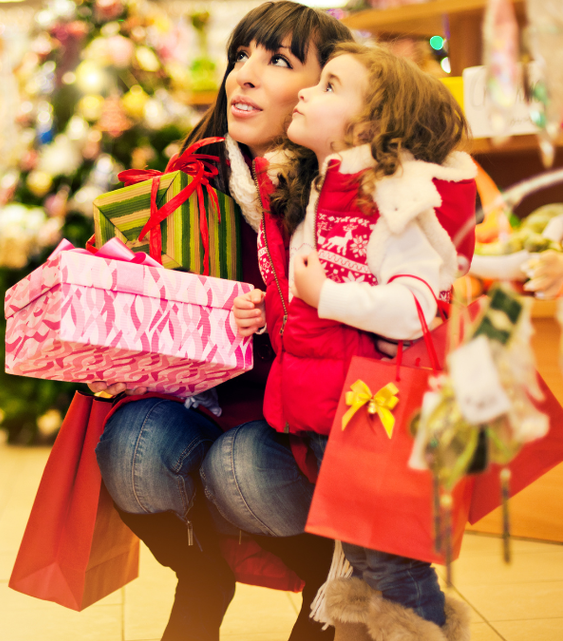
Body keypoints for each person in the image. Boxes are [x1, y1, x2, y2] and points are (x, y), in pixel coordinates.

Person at [90, 4, 362, 641]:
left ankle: (326, 584)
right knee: (130, 448)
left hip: (302, 419)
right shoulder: (194, 180)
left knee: (240, 468)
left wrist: (275, 316)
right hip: (205, 397)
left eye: (277, 61)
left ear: (330, 88)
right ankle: (202, 577)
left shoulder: (345, 191)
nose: (245, 75)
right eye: (242, 56)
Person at [216, 42, 477, 641]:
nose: (306, 91)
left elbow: (417, 305)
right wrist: (273, 306)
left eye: (330, 86)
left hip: (373, 415)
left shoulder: (395, 202)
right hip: (334, 411)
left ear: (373, 124)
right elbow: (309, 285)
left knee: (394, 567)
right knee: (366, 561)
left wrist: (323, 295)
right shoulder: (321, 192)